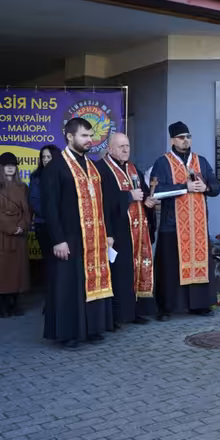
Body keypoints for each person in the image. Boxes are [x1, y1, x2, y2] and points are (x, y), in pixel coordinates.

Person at [43, 118, 114, 348]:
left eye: (90, 136)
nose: (89, 140)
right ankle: (69, 333)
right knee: (69, 286)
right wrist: (58, 240)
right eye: (84, 135)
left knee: (91, 281)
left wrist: (108, 233)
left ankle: (91, 328)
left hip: (94, 237)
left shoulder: (92, 166)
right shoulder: (56, 166)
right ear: (69, 136)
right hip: (69, 237)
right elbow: (50, 207)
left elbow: (102, 203)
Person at [151, 122, 220, 321]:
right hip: (172, 225)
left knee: (199, 264)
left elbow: (216, 186)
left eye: (188, 136)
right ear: (172, 140)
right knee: (170, 268)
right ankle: (166, 308)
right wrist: (185, 187)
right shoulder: (162, 162)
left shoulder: (201, 161)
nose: (185, 140)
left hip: (197, 226)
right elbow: (157, 191)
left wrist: (206, 187)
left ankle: (199, 305)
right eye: (181, 137)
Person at [96, 133, 158, 327]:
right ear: (110, 148)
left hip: (138, 232)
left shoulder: (133, 168)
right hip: (118, 231)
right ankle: (115, 316)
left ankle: (134, 312)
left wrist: (147, 201)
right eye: (121, 146)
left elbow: (143, 193)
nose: (125, 150)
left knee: (135, 270)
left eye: (127, 146)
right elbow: (102, 201)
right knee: (119, 274)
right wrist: (128, 196)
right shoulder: (101, 169)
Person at [0, 153, 31, 317]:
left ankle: (14, 303)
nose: (10, 167)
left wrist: (22, 226)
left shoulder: (23, 187)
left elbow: (28, 211)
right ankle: (3, 306)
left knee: (18, 272)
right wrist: (12, 228)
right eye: (7, 165)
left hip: (19, 237)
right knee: (3, 272)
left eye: (13, 165)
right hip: (3, 237)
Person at [29, 144, 61, 287]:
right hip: (44, 225)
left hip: (62, 226)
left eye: (49, 156)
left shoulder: (65, 175)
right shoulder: (36, 177)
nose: (46, 159)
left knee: (62, 264)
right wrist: (52, 214)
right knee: (49, 262)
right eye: (43, 157)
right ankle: (50, 297)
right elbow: (35, 202)